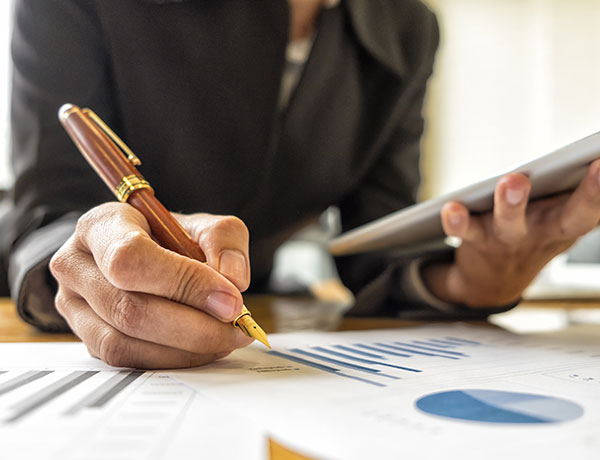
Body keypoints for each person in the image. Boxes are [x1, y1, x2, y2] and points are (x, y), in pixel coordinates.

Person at [1, 0, 599, 369]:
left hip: (231, 313)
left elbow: (376, 239)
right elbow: (41, 211)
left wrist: (469, 281)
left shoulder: (408, 27)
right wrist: (88, 260)